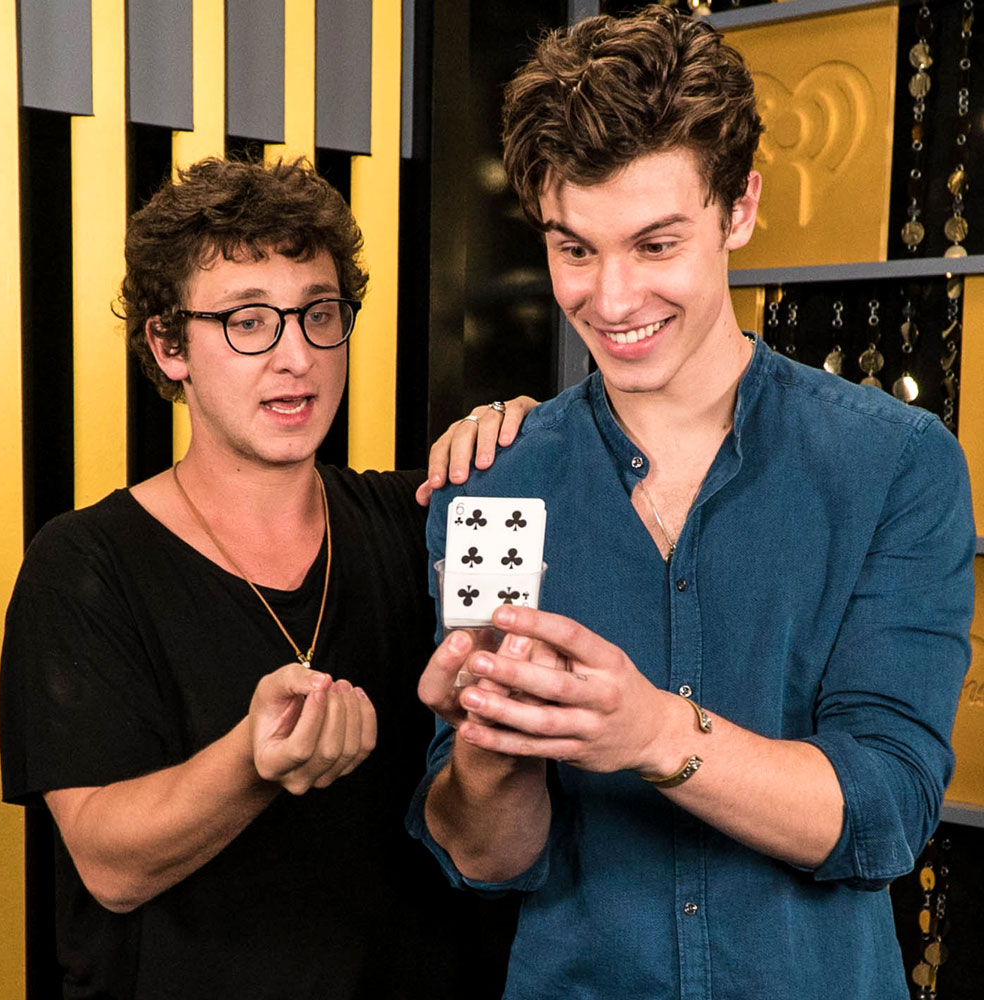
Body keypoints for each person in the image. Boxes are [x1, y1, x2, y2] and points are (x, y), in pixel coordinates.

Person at [408, 7, 976, 999]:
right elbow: (487, 861)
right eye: (572, 249)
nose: (611, 299)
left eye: (655, 243)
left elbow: (883, 811)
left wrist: (652, 732)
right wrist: (490, 760)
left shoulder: (896, 465)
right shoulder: (490, 478)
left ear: (739, 209)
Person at [0, 156, 531, 1000]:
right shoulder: (86, 563)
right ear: (169, 345)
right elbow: (106, 862)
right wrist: (253, 758)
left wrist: (532, 439)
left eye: (319, 315)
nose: (297, 358)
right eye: (249, 322)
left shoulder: (419, 519)